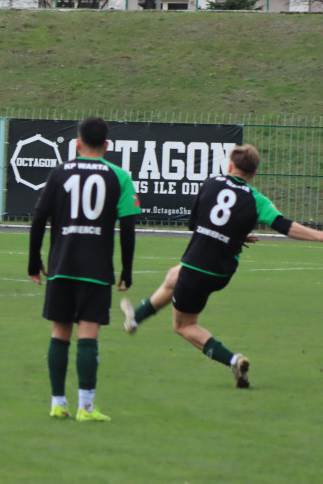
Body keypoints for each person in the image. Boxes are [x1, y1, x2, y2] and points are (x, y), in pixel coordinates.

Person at [119, 143, 323, 389]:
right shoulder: (257, 199)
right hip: (221, 272)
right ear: (254, 173)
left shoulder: (211, 183)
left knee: (184, 326)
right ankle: (135, 319)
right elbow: (283, 225)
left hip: (197, 266)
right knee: (174, 276)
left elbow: (194, 224)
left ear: (230, 165)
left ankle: (233, 360)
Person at [28, 116, 140, 422]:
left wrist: (33, 260)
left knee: (59, 331)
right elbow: (128, 227)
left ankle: (57, 403)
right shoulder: (119, 176)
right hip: (96, 267)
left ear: (77, 144)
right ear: (107, 145)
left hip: (62, 264)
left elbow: (38, 217)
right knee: (88, 334)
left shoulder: (60, 172)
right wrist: (127, 270)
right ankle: (86, 408)